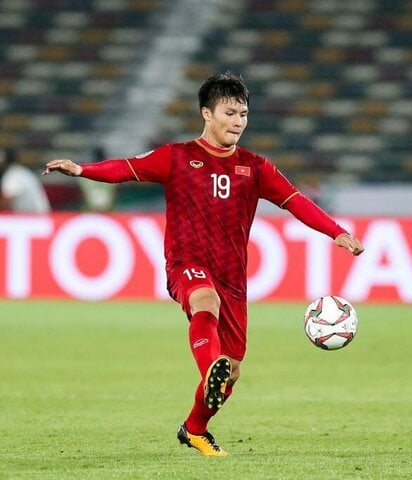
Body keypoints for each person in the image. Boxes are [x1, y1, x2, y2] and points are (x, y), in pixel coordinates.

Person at [44, 72, 365, 457]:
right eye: (230, 113)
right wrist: (82, 170)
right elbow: (126, 169)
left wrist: (336, 232)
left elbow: (296, 201)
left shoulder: (256, 166)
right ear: (207, 114)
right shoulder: (176, 158)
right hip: (187, 263)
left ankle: (195, 429)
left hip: (233, 277)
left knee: (231, 374)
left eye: (244, 114)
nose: (238, 122)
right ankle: (208, 366)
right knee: (204, 303)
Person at [0, 147, 51, 213]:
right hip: (30, 216)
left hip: (36, 218)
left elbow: (7, 201)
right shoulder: (18, 171)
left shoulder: (13, 174)